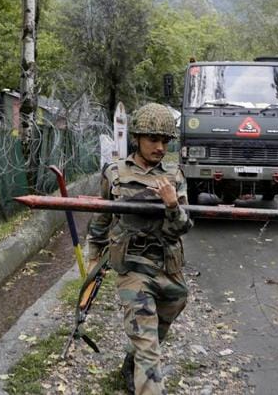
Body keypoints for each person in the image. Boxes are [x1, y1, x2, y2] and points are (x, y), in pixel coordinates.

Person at [86, 103, 193, 395]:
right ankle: (144, 377)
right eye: (153, 140)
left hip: (166, 266)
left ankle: (131, 363)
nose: (160, 147)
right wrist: (94, 254)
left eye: (165, 141)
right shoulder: (114, 173)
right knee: (148, 347)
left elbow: (182, 228)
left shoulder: (174, 176)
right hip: (132, 267)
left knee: (168, 313)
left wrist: (172, 205)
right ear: (137, 139)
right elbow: (102, 217)